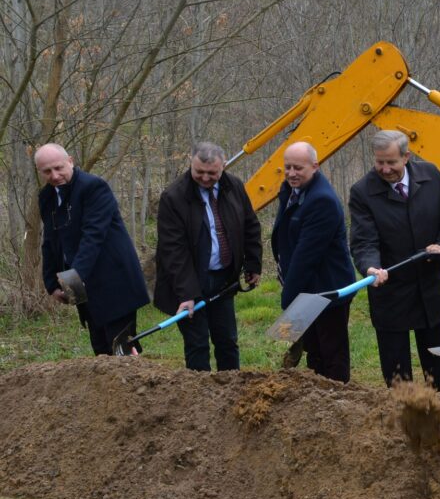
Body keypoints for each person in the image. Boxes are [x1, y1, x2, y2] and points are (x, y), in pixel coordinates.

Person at [348, 130, 440, 390]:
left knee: (437, 364)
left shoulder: (431, 176)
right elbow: (364, 241)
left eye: (391, 162)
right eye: (379, 162)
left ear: (406, 156)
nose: (385, 169)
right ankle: (403, 411)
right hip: (390, 292)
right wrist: (370, 267)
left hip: (429, 288)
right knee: (396, 369)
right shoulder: (362, 192)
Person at [154, 142, 262, 371]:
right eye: (199, 172)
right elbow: (173, 251)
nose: (205, 178)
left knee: (227, 340)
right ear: (190, 164)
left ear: (223, 166)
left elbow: (250, 225)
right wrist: (187, 294)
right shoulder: (173, 197)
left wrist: (253, 263)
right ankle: (199, 391)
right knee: (197, 344)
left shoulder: (234, 186)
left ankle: (232, 386)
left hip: (223, 279)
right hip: (190, 280)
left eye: (212, 173)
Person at [36, 143, 150, 355]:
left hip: (114, 281)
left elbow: (93, 237)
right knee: (100, 351)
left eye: (58, 168)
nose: (54, 175)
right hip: (84, 285)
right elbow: (50, 241)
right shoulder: (46, 197)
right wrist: (51, 284)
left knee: (121, 350)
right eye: (47, 171)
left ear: (70, 161)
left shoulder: (93, 187)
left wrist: (71, 282)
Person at [271, 141, 357, 382]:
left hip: (328, 289)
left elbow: (305, 257)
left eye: (298, 168)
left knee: (332, 353)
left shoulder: (322, 200)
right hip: (306, 287)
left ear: (315, 166)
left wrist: (289, 301)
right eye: (288, 167)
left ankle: (338, 396)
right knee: (314, 350)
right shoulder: (291, 190)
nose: (291, 173)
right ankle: (317, 396)